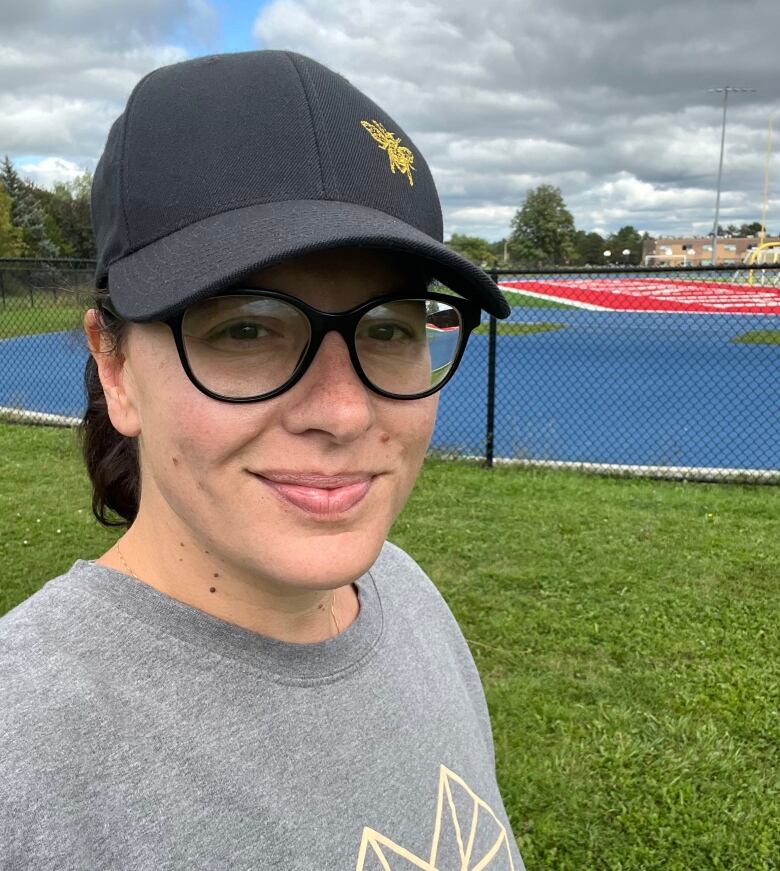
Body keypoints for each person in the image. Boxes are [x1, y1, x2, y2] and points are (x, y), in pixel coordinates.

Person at [0, 50, 524, 870]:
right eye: (245, 329)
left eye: (389, 327)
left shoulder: (409, 599)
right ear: (115, 366)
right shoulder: (22, 757)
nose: (345, 412)